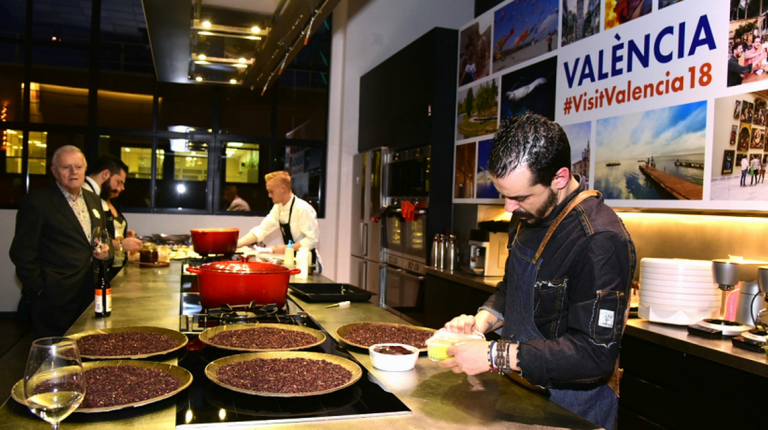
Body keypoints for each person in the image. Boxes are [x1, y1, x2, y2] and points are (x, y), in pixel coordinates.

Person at [439, 113, 636, 430]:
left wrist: (495, 356)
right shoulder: (529, 213)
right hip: (519, 393)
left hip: (570, 410)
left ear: (559, 178)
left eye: (519, 197)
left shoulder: (600, 240)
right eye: (505, 195)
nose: (508, 208)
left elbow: (594, 354)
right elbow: (513, 288)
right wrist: (481, 323)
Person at [10, 145, 111, 338]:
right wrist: (40, 290)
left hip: (89, 294)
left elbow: (99, 237)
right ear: (54, 171)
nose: (74, 172)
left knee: (88, 352)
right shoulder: (37, 202)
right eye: (66, 167)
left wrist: (104, 251)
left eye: (79, 167)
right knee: (57, 359)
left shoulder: (93, 200)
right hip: (54, 298)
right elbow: (21, 253)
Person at [237, 171, 321, 269]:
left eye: (271, 191)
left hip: (308, 264)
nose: (269, 195)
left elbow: (313, 240)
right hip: (293, 261)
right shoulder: (278, 207)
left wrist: (287, 248)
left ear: (283, 188)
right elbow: (262, 230)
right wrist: (236, 245)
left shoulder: (302, 209)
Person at [83, 155, 143, 279]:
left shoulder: (100, 197)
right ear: (105, 174)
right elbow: (87, 237)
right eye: (118, 182)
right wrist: (119, 244)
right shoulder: (86, 195)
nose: (121, 188)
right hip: (88, 272)